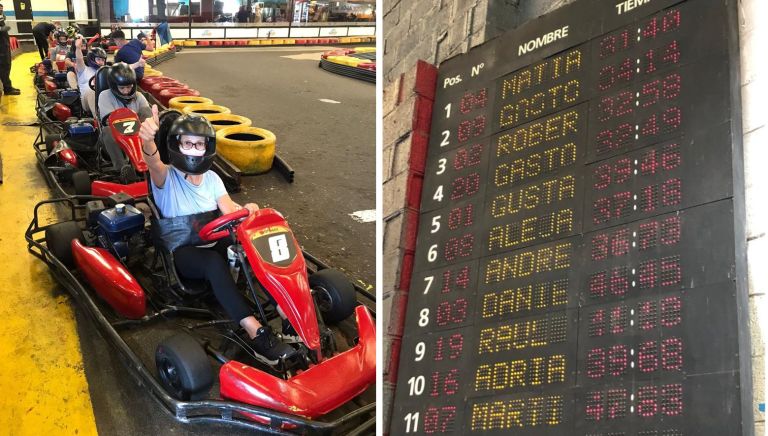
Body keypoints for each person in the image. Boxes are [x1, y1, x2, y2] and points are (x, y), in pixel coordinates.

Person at [138, 110, 294, 363]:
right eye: (187, 143)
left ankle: (287, 315)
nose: (194, 149)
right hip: (184, 252)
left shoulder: (212, 178)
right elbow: (152, 162)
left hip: (213, 240)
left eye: (199, 144)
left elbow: (229, 213)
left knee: (249, 246)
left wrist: (247, 211)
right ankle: (256, 333)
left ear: (207, 147)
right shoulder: (166, 176)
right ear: (176, 145)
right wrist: (147, 139)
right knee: (213, 263)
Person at [98, 62, 152, 177]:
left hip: (138, 140)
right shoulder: (105, 96)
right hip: (115, 141)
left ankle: (151, 159)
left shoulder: (139, 96)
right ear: (114, 85)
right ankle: (123, 170)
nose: (126, 91)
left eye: (129, 87)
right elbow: (108, 121)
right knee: (108, 130)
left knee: (147, 111)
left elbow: (148, 119)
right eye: (122, 88)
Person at [67, 36, 106, 115]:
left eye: (103, 60)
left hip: (104, 97)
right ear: (92, 59)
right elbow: (79, 60)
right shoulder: (84, 70)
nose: (101, 62)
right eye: (98, 59)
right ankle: (99, 119)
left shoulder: (105, 71)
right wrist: (78, 48)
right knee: (93, 93)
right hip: (86, 100)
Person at [0, 13, 19, 95]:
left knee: (7, 66)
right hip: (1, 46)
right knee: (4, 67)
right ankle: (8, 88)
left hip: (4, 43)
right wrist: (1, 29)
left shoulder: (1, 14)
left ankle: (8, 86)